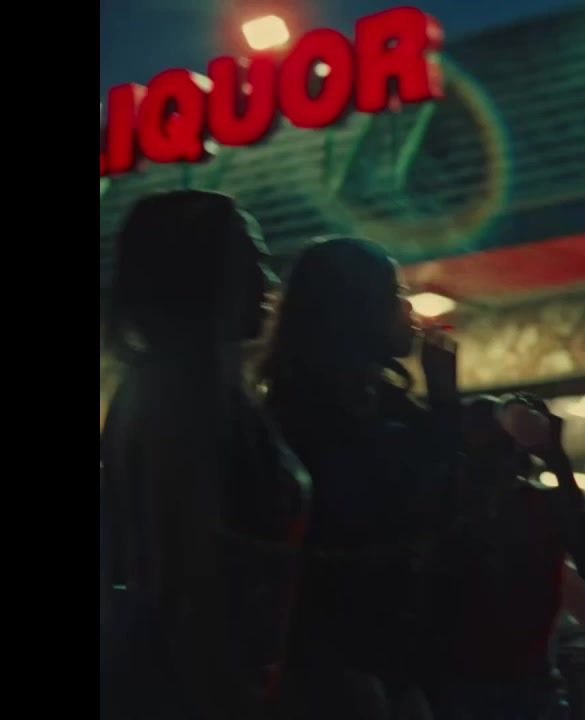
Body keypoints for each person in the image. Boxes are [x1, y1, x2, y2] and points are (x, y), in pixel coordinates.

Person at [100, 191, 311, 720]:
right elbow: (191, 579)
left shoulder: (206, 394)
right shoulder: (178, 399)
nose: (270, 282)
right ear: (204, 272)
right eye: (252, 259)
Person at [260, 237, 456, 720]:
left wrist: (443, 402)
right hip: (332, 674)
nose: (407, 308)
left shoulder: (392, 410)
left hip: (399, 668)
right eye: (395, 294)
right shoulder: (299, 421)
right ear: (357, 310)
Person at [432, 394, 585, 720]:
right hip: (473, 692)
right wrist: (557, 461)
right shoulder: (446, 517)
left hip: (523, 691)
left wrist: (558, 462)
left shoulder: (537, 508)